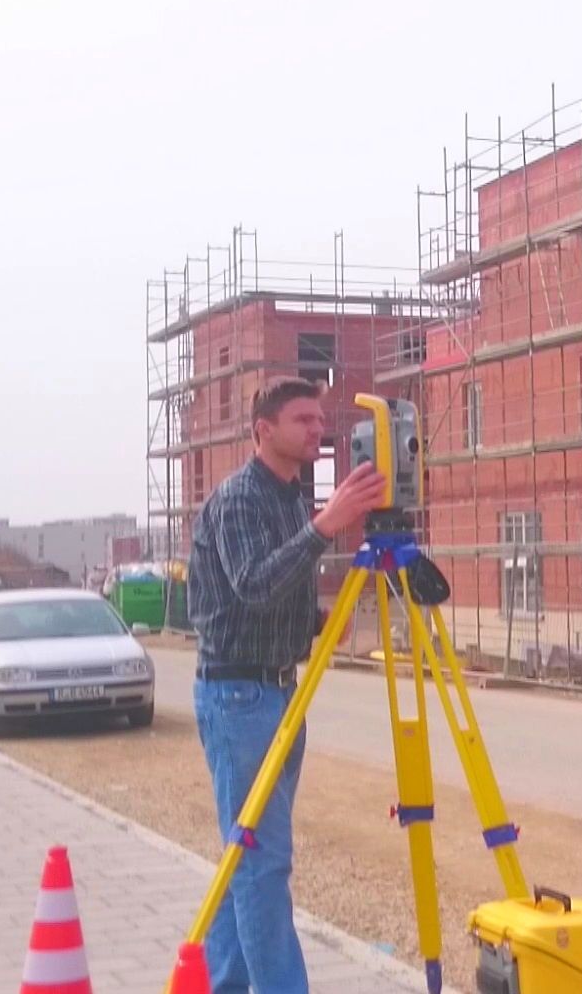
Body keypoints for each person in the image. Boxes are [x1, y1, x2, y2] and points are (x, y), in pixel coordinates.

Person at [187, 376, 388, 993]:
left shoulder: (290, 499)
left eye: (319, 420)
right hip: (238, 695)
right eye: (303, 420)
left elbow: (282, 599)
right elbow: (253, 585)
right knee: (261, 862)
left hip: (279, 691)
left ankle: (224, 985)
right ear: (263, 430)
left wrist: (327, 619)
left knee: (246, 857)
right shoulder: (239, 500)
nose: (317, 430)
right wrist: (326, 526)